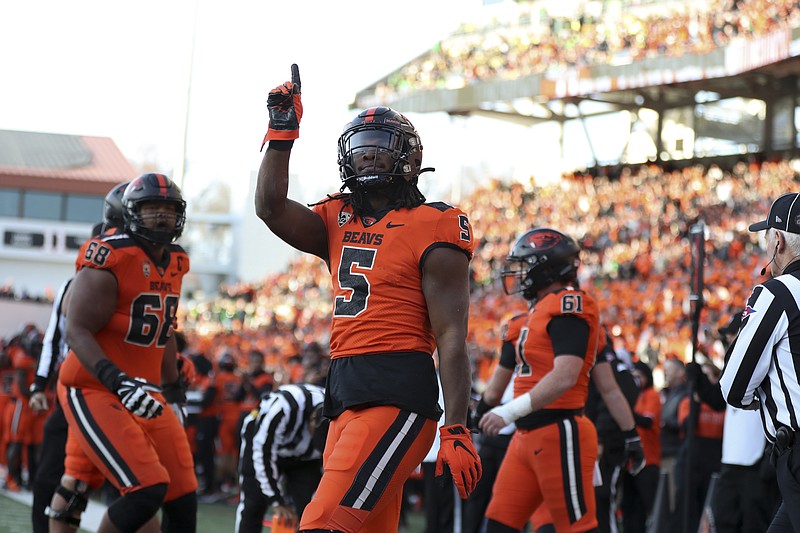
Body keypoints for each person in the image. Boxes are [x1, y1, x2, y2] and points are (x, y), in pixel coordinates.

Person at [255, 64, 481, 532]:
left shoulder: (435, 223)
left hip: (397, 393)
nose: (369, 159)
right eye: (361, 150)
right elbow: (271, 208)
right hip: (343, 393)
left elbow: (452, 336)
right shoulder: (337, 216)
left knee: (321, 524)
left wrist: (458, 424)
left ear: (409, 158)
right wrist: (282, 133)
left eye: (381, 150)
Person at [53, 173, 197, 533]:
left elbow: (163, 331)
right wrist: (116, 381)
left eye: (168, 210)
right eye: (152, 210)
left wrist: (174, 389)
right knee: (145, 489)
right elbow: (75, 328)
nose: (162, 218)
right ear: (132, 213)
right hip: (96, 386)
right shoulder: (111, 255)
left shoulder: (177, 261)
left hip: (144, 389)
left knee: (183, 496)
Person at [478, 228, 603, 532]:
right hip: (524, 436)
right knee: (498, 524)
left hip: (559, 430)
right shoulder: (527, 318)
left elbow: (565, 375)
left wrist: (506, 413)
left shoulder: (569, 304)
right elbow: (494, 389)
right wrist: (475, 413)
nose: (518, 276)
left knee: (577, 528)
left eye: (524, 267)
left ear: (545, 268)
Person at [29, 181, 128, 533]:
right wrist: (40, 383)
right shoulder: (80, 283)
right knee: (58, 476)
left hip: (126, 391)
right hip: (81, 386)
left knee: (137, 486)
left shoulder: (151, 277)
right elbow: (60, 334)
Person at [719, 191, 800, 532]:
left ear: (778, 240)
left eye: (767, 237)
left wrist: (759, 400)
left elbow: (735, 387)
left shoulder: (776, 293)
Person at [235, 383, 327, 533]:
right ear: (313, 418)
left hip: (305, 459)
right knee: (253, 502)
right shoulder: (283, 408)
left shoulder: (340, 413)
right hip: (263, 444)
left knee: (309, 511)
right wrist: (276, 500)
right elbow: (262, 454)